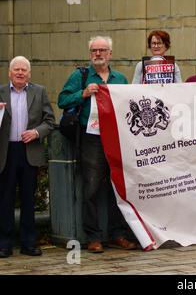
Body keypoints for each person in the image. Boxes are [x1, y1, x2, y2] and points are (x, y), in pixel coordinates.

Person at [58, 36, 137, 252]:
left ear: (110, 54)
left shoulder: (119, 78)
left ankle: (117, 234)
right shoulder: (80, 75)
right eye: (94, 50)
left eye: (102, 50)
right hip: (90, 137)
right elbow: (62, 100)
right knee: (91, 187)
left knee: (117, 186)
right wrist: (82, 93)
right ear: (90, 53)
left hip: (117, 138)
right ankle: (93, 236)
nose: (98, 54)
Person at [0, 56, 55, 258]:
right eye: (17, 70)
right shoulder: (1, 91)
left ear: (29, 74)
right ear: (10, 73)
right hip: (5, 152)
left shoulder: (39, 91)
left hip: (29, 151)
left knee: (28, 199)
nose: (20, 73)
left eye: (24, 70)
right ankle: (4, 244)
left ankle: (28, 243)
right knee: (4, 199)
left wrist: (36, 132)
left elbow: (50, 120)